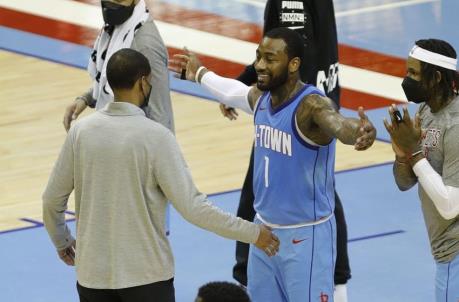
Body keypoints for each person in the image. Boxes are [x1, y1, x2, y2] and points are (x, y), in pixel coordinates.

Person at [42, 48, 280, 302]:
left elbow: (51, 200)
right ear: (143, 82)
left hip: (92, 279)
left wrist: (63, 241)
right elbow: (194, 208)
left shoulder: (81, 132)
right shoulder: (156, 137)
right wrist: (253, 233)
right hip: (146, 278)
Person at [170, 27, 376, 302]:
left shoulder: (311, 106)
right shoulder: (261, 99)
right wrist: (199, 73)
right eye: (258, 57)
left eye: (270, 58)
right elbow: (233, 91)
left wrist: (359, 133)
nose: (260, 65)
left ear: (293, 64)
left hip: (306, 237)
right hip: (264, 234)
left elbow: (339, 124)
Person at [219, 2, 350, 299]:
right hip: (302, 100)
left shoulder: (294, 3)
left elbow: (290, 52)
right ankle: (335, 283)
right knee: (303, 191)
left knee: (293, 193)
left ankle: (335, 284)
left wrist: (249, 84)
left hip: (297, 107)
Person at [383, 38, 459, 302]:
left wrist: (414, 154)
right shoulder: (425, 111)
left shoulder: (456, 124)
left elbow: (450, 205)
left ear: (436, 76)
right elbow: (405, 183)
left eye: (413, 73)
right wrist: (402, 155)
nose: (407, 80)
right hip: (445, 252)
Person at [63, 0, 174, 133]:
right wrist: (86, 98)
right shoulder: (119, 26)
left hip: (132, 143)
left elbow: (160, 117)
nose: (110, 2)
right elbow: (115, 81)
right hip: (112, 132)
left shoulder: (146, 46)